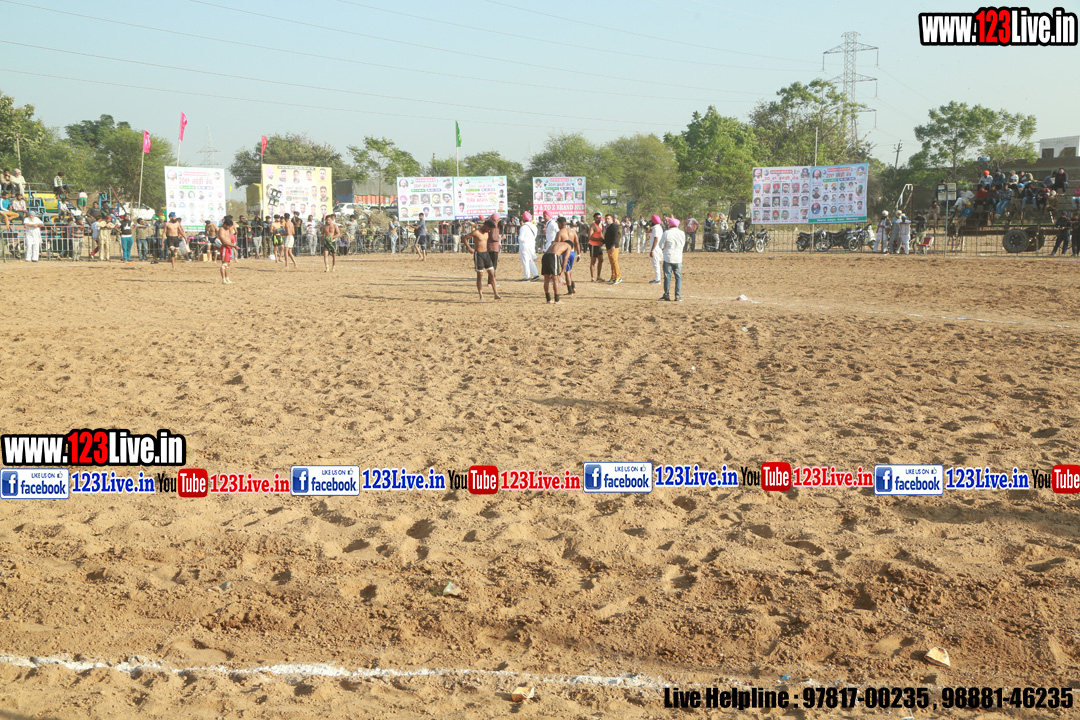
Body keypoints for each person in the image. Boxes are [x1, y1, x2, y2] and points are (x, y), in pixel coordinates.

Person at [462, 219, 500, 300]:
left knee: (492, 274)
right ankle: (481, 295)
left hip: (486, 254)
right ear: (485, 226)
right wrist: (470, 248)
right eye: (488, 229)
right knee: (480, 276)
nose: (489, 231)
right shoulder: (476, 232)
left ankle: (496, 294)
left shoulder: (487, 233)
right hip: (478, 255)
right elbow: (465, 238)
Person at [541, 226, 573, 304]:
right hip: (553, 256)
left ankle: (548, 299)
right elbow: (566, 259)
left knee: (546, 279)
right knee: (555, 279)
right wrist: (562, 271)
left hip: (545, 256)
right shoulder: (568, 246)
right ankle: (557, 300)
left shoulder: (556, 243)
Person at [658, 217, 685, 302]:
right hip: (678, 258)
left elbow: (660, 245)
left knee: (667, 277)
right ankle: (678, 295)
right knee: (678, 277)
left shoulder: (667, 233)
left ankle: (666, 294)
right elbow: (683, 244)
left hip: (668, 257)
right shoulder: (682, 233)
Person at [555, 216, 580, 295]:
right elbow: (577, 243)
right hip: (572, 252)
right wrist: (579, 254)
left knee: (566, 272)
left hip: (564, 253)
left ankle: (570, 290)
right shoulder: (572, 231)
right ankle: (573, 286)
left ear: (559, 224)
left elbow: (557, 244)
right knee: (569, 270)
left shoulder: (560, 233)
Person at [517, 211, 539, 280]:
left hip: (524, 245)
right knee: (530, 260)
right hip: (532, 245)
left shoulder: (523, 227)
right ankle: (535, 274)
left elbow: (521, 238)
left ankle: (526, 276)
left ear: (523, 219)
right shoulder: (534, 226)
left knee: (525, 261)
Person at [604, 213, 622, 284]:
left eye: (608, 218)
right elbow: (607, 237)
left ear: (611, 219)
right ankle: (613, 276)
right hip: (609, 246)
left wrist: (613, 245)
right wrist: (603, 242)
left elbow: (615, 236)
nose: (607, 220)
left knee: (614, 261)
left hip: (613, 246)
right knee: (612, 262)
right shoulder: (608, 227)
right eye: (606, 219)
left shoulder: (614, 226)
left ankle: (618, 277)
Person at [218, 217, 237, 283]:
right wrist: (233, 246)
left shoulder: (227, 230)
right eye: (228, 226)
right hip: (225, 248)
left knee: (228, 264)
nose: (229, 228)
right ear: (225, 224)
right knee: (224, 264)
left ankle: (227, 278)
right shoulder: (221, 230)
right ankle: (223, 279)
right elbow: (224, 241)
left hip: (229, 247)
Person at [588, 212, 605, 281]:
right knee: (593, 261)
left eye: (600, 218)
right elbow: (590, 237)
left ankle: (598, 276)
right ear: (594, 218)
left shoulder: (601, 225)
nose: (599, 219)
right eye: (597, 218)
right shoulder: (592, 226)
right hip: (593, 245)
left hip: (598, 245)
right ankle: (592, 277)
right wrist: (598, 239)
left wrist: (602, 241)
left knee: (601, 260)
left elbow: (601, 234)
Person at [648, 214, 663, 284]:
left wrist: (652, 250)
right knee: (655, 263)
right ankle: (657, 279)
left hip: (655, 248)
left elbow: (656, 239)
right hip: (656, 247)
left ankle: (657, 280)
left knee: (656, 263)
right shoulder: (656, 228)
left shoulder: (656, 228)